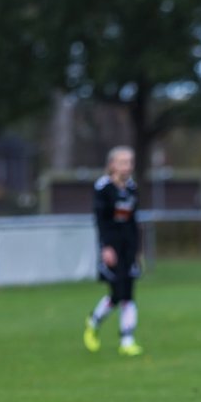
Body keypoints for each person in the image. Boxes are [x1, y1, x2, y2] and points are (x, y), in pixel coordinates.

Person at [83, 146, 143, 356]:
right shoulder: (103, 188)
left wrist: (137, 249)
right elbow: (101, 220)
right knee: (116, 293)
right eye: (123, 161)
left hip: (128, 248)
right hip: (112, 247)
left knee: (128, 294)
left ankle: (127, 340)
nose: (128, 166)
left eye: (130, 162)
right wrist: (105, 247)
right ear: (112, 165)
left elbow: (133, 221)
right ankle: (94, 321)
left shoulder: (132, 188)